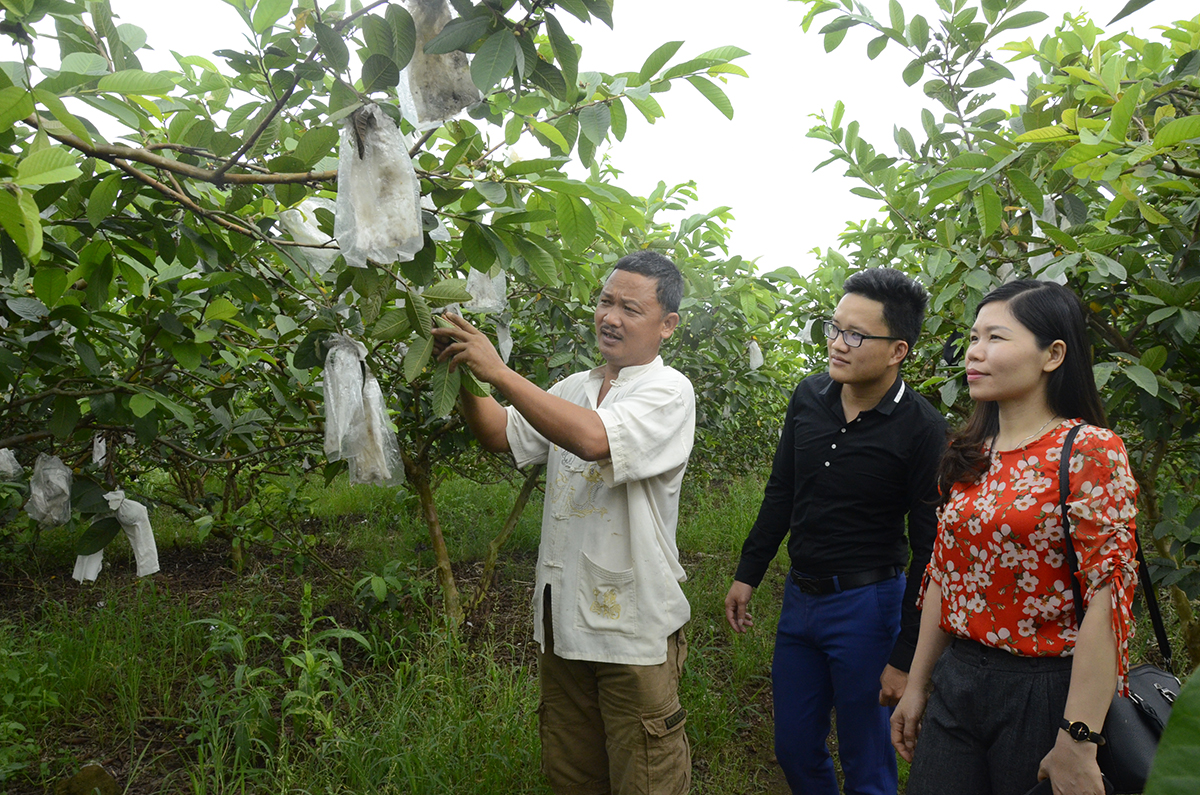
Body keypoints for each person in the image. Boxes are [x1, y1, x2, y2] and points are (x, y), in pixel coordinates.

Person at [432, 250, 696, 795]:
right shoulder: (573, 386)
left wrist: (499, 370)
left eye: (630, 308)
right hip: (563, 620)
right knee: (573, 772)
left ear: (667, 325)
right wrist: (460, 369)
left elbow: (594, 438)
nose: (611, 317)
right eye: (605, 301)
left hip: (633, 626)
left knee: (646, 775)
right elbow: (501, 434)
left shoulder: (669, 392)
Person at [891, 280, 1139, 795]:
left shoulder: (1089, 450)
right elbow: (943, 576)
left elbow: (1108, 597)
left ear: (1053, 354)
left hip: (1045, 689)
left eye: (997, 338)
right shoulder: (970, 452)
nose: (975, 353)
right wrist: (917, 685)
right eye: (973, 337)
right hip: (958, 678)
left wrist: (1079, 736)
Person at [725, 267, 947, 795]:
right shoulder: (809, 397)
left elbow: (930, 550)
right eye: (834, 327)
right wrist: (748, 573)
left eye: (855, 335)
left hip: (869, 607)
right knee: (795, 749)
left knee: (866, 759)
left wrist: (905, 658)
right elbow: (782, 491)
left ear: (897, 351)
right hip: (800, 598)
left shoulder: (922, 429)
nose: (836, 343)